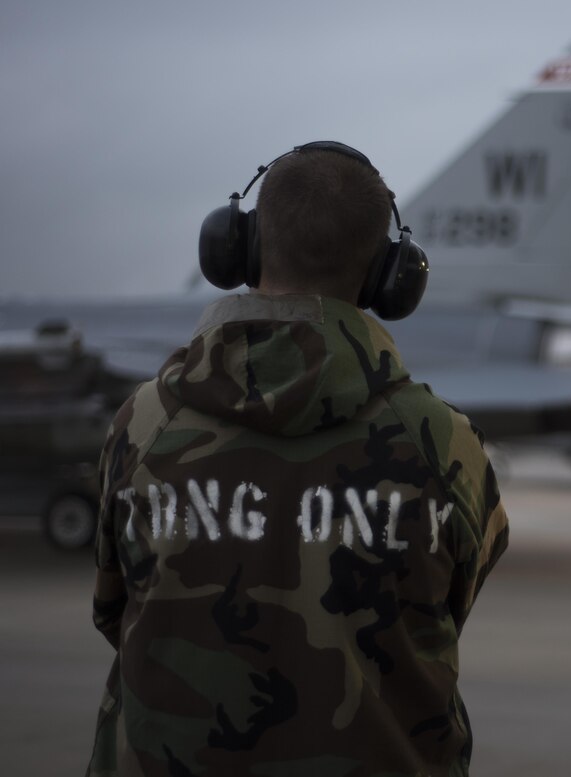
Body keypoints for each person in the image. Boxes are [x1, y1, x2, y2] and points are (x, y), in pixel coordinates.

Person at [86, 142, 509, 776]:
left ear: (239, 248)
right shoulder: (444, 441)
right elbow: (447, 609)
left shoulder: (144, 423)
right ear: (388, 276)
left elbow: (112, 606)